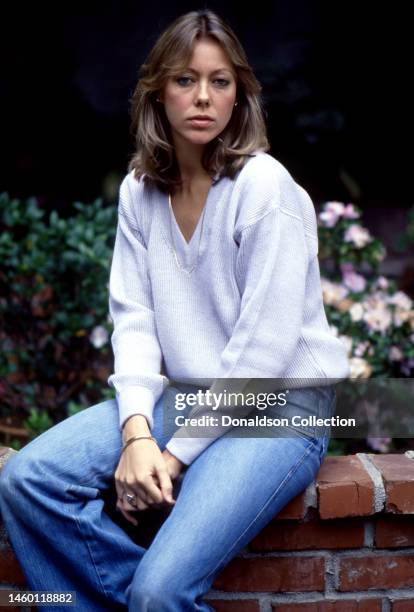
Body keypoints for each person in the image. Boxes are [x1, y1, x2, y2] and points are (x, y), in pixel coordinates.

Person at [0, 9, 350, 611]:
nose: (204, 97)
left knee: (161, 589)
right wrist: (137, 430)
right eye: (186, 80)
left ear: (239, 95)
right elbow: (133, 320)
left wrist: (169, 456)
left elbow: (262, 355)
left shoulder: (265, 189)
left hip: (277, 406)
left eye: (221, 81)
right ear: (158, 91)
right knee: (26, 482)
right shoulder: (141, 191)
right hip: (187, 396)